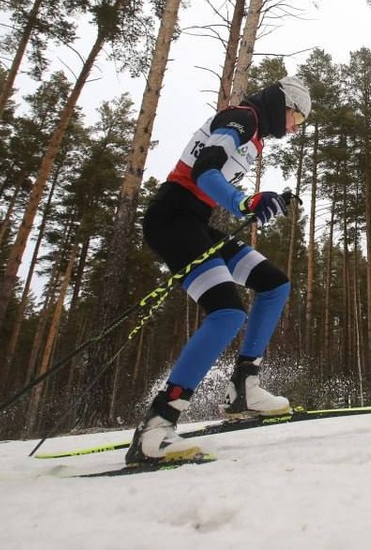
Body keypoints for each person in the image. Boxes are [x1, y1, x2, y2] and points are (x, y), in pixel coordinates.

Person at [126, 75, 311, 464]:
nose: (295, 128)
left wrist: (266, 199)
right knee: (227, 313)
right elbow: (205, 173)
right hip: (172, 219)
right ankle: (157, 426)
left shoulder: (254, 133)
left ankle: (245, 386)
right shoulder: (243, 119)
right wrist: (244, 204)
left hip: (196, 223)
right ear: (285, 105)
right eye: (298, 118)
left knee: (274, 285)